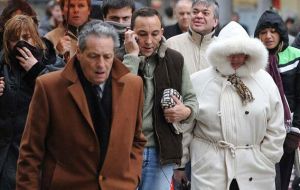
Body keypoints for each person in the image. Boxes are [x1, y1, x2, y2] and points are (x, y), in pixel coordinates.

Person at [16, 20, 146, 190]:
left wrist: (131, 177)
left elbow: (137, 139)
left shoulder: (133, 85)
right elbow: (30, 153)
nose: (101, 65)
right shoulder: (49, 87)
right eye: (93, 56)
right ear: (79, 52)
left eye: (107, 56)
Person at [188, 21, 286, 190]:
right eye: (229, 54)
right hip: (210, 167)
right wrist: (183, 164)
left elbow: (276, 124)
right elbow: (187, 126)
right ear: (219, 54)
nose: (236, 59)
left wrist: (268, 157)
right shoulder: (198, 81)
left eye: (241, 53)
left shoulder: (264, 80)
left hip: (255, 168)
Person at [123, 7, 198, 190]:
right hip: (126, 151)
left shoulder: (175, 59)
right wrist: (132, 58)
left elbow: (192, 101)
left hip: (162, 152)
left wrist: (184, 111)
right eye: (142, 34)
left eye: (155, 34)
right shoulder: (118, 59)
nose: (149, 41)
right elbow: (120, 98)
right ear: (131, 34)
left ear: (162, 32)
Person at [0, 14, 57, 190]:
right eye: (14, 39)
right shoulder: (2, 65)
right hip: (6, 154)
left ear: (36, 38)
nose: (20, 43)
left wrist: (36, 70)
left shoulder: (52, 61)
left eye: (26, 38)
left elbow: (62, 93)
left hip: (40, 156)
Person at [254, 10, 300, 190]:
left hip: (286, 132)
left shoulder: (296, 56)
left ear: (281, 31)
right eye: (263, 32)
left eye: (273, 31)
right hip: (258, 134)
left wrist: (295, 132)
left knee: (282, 182)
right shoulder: (252, 59)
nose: (268, 36)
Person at [167, 0, 219, 74]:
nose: (199, 16)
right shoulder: (171, 44)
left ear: (215, 21)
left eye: (205, 13)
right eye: (195, 12)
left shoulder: (222, 48)